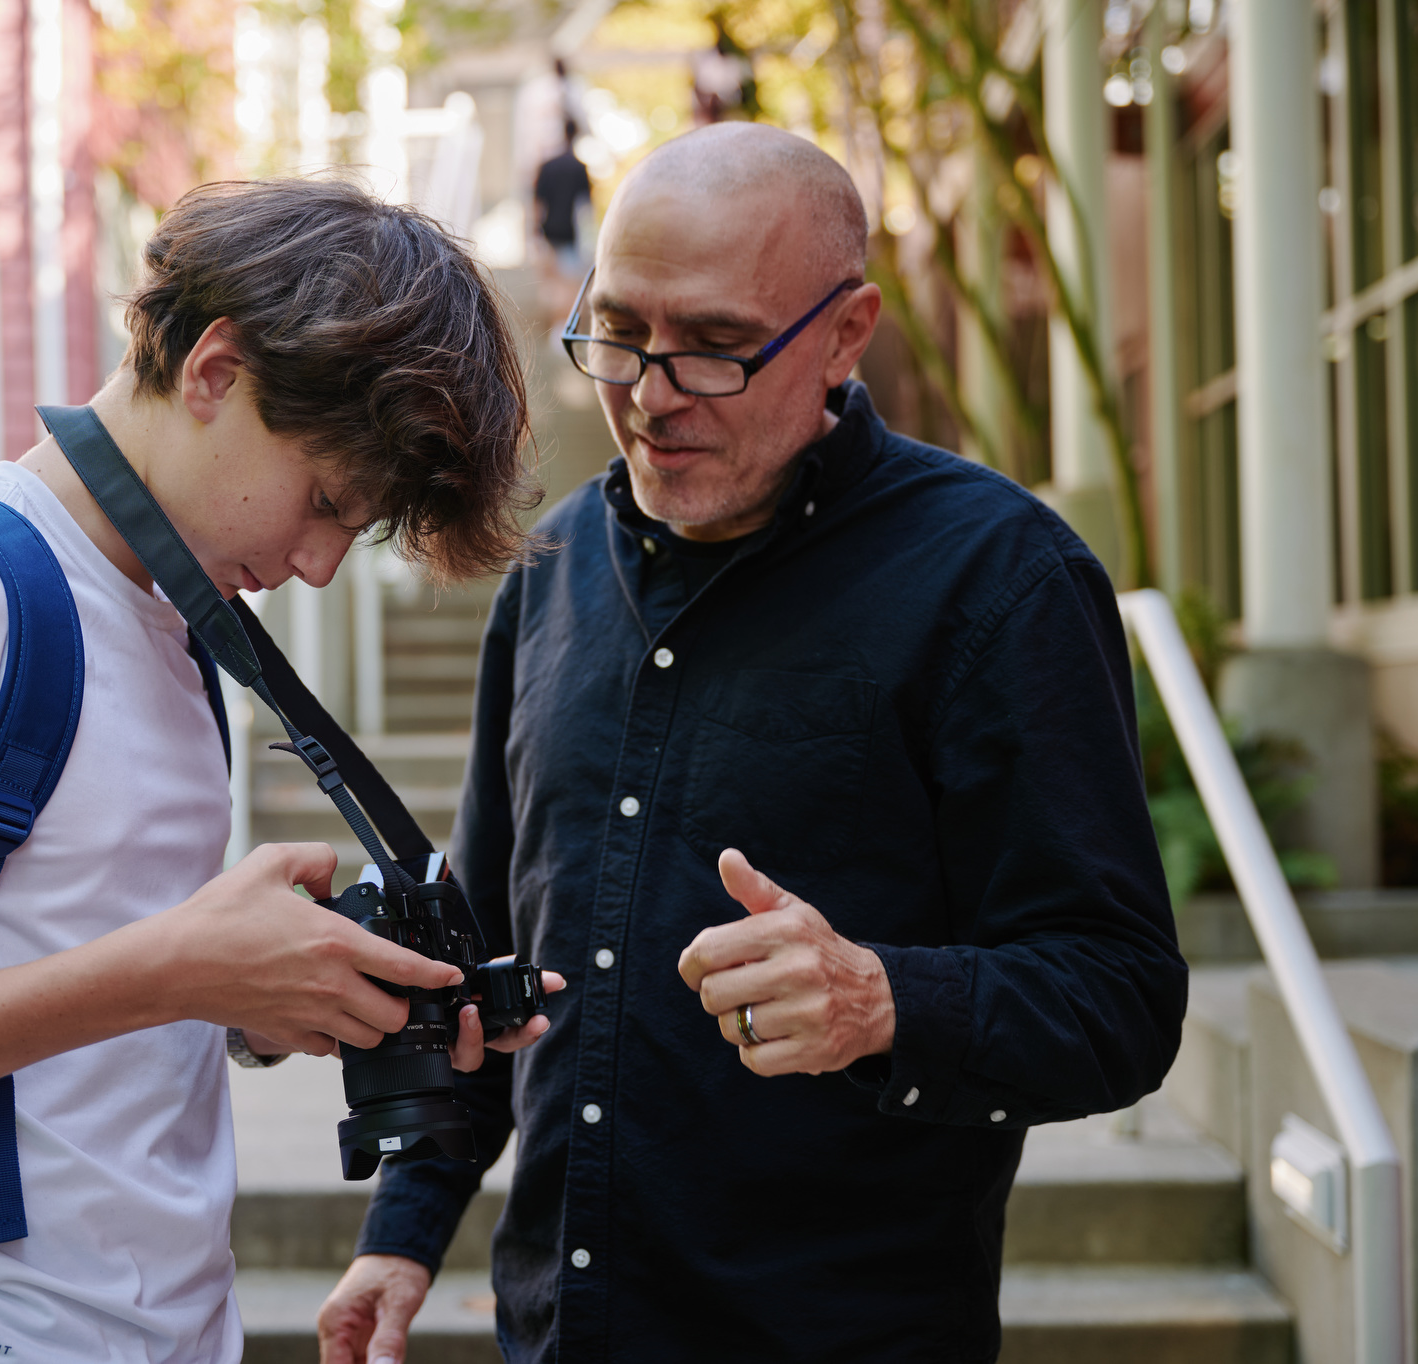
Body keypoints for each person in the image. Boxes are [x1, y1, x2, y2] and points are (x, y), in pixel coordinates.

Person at [0, 177, 557, 1364]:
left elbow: (70, 992)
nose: (321, 565)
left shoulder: (165, 621)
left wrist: (276, 991)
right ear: (215, 371)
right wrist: (168, 968)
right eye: (324, 500)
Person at [316, 123, 1186, 1363]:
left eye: (716, 347)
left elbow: (1119, 998)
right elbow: (489, 956)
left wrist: (881, 1000)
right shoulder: (549, 570)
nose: (650, 393)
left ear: (845, 331)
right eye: (618, 330)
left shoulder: (999, 579)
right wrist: (402, 1231)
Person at [532, 120, 591, 285]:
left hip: (549, 231)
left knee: (551, 284)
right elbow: (585, 206)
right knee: (569, 282)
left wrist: (535, 232)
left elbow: (538, 203)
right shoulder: (579, 168)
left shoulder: (547, 167)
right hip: (569, 233)